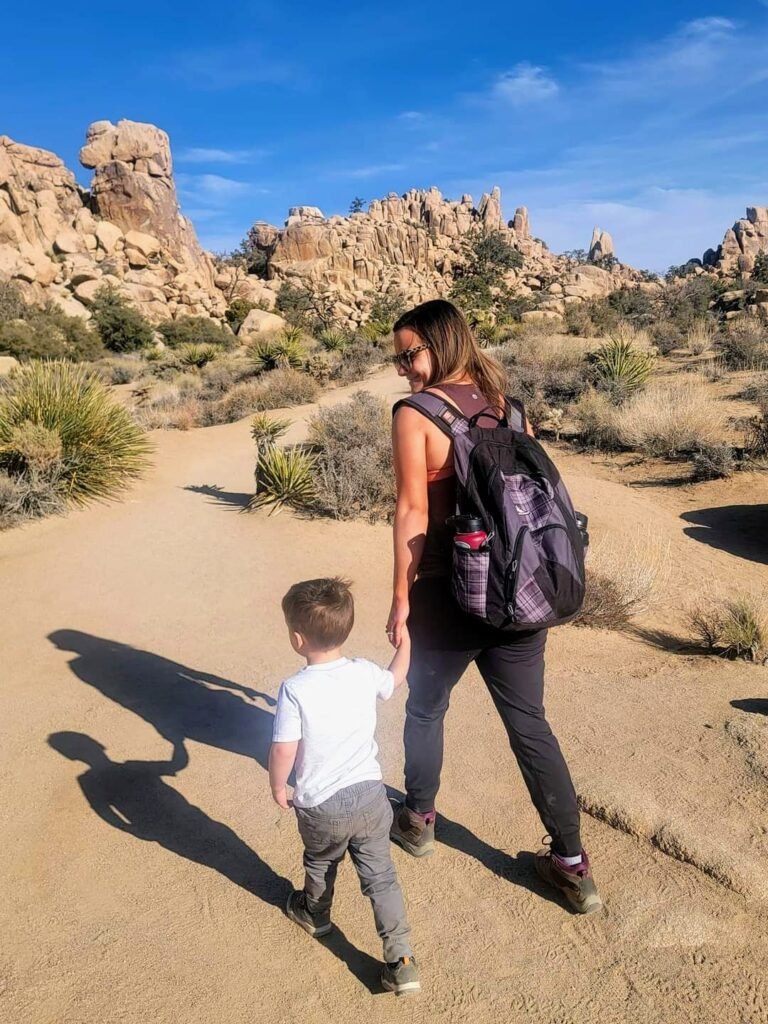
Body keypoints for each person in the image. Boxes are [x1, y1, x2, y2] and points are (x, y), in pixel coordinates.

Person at [386, 299, 602, 915]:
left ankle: (419, 819)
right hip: (520, 590)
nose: (404, 368)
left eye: (411, 354)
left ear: (441, 343)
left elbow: (411, 514)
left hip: (447, 595)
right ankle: (571, 865)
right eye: (398, 358)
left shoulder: (416, 415)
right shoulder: (509, 407)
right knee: (529, 722)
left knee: (426, 707)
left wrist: (400, 599)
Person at [269, 577, 421, 995]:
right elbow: (395, 677)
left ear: (298, 639)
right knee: (381, 878)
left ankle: (315, 914)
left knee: (321, 862)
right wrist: (404, 640)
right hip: (372, 796)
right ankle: (401, 958)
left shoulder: (295, 689)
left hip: (323, 805)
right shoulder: (361, 672)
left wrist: (279, 786)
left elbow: (284, 748)